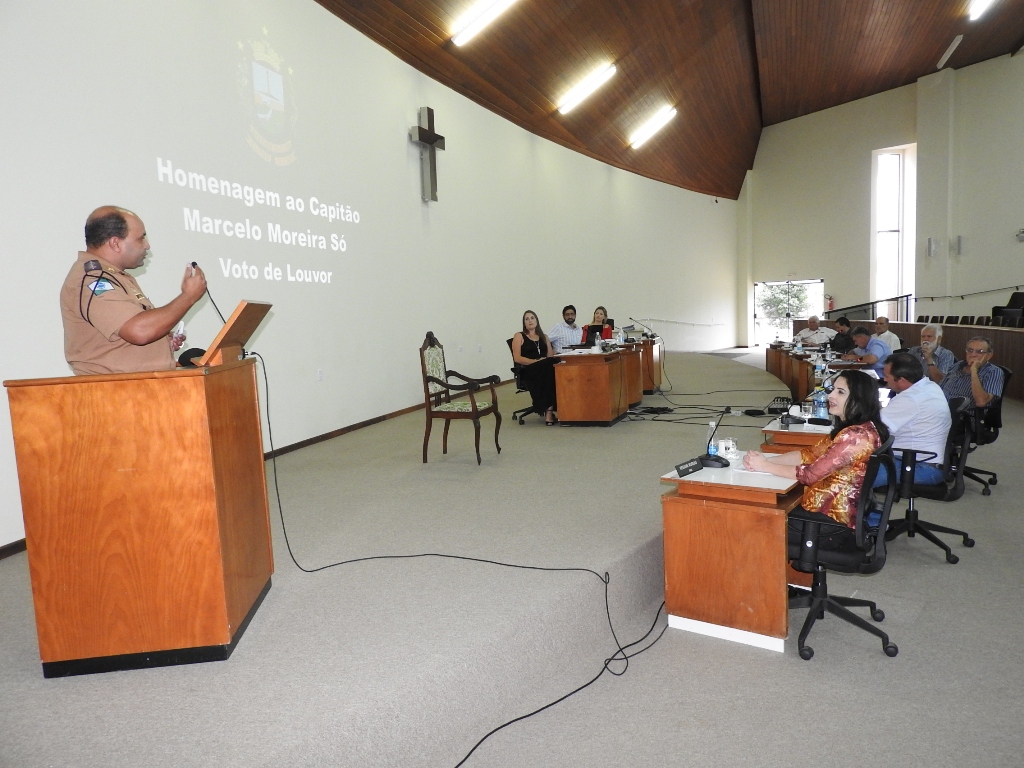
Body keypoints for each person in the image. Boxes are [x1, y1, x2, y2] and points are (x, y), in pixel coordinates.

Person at [743, 370, 888, 545]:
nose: (831, 395)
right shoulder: (853, 428)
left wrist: (765, 466)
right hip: (825, 512)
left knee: (752, 521)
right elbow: (808, 454)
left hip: (830, 521)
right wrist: (765, 460)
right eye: (833, 389)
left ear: (859, 399)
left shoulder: (855, 436)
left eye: (840, 392)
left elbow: (810, 475)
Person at [60, 206, 208, 375]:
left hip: (139, 392)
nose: (147, 245)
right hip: (115, 395)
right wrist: (188, 297)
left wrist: (162, 341)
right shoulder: (92, 280)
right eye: (141, 239)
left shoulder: (117, 277)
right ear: (115, 243)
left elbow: (128, 332)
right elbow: (139, 331)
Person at [873, 353, 952, 488]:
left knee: (851, 481)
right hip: (923, 461)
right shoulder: (930, 386)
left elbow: (873, 430)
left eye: (887, 376)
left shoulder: (911, 399)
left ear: (902, 380)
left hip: (919, 467)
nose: (884, 380)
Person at [511, 310, 558, 425]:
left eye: (532, 318)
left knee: (554, 363)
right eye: (527, 319)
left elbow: (550, 356)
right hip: (529, 370)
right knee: (548, 368)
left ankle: (560, 409)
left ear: (537, 320)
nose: (530, 320)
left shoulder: (544, 337)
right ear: (524, 323)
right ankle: (549, 412)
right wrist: (536, 361)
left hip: (545, 368)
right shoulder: (519, 336)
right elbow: (517, 358)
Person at [939, 336, 1004, 410]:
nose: (973, 355)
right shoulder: (958, 365)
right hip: (940, 408)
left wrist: (974, 370)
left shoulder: (993, 372)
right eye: (970, 350)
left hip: (962, 416)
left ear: (989, 355)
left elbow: (981, 402)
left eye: (980, 352)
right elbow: (940, 388)